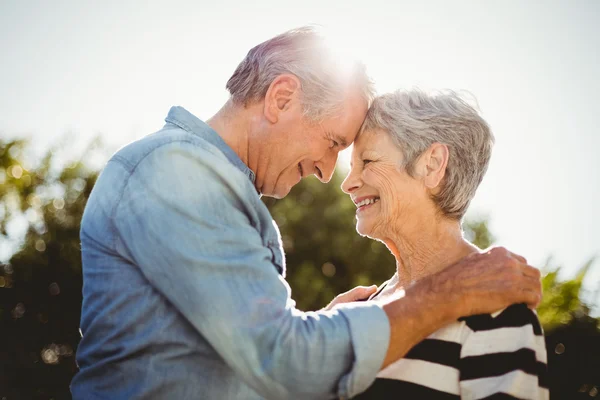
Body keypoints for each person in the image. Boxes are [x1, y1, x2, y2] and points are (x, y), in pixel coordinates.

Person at [71, 27, 542, 400]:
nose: (328, 173)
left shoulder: (205, 185)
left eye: (362, 158)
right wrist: (447, 294)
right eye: (336, 143)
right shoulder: (176, 173)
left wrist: (319, 329)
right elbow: (284, 360)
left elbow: (238, 363)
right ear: (281, 98)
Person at [341, 89, 548, 399]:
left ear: (432, 164)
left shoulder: (498, 309)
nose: (348, 183)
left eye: (368, 160)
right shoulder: (353, 311)